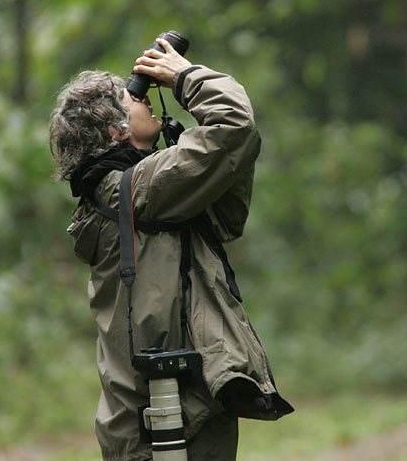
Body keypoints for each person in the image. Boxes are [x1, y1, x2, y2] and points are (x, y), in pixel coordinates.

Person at [49, 38, 293, 461]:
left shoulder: (124, 195)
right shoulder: (138, 190)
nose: (145, 101)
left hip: (171, 407)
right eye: (134, 97)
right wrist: (183, 77)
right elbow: (235, 123)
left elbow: (225, 218)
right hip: (168, 418)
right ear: (116, 129)